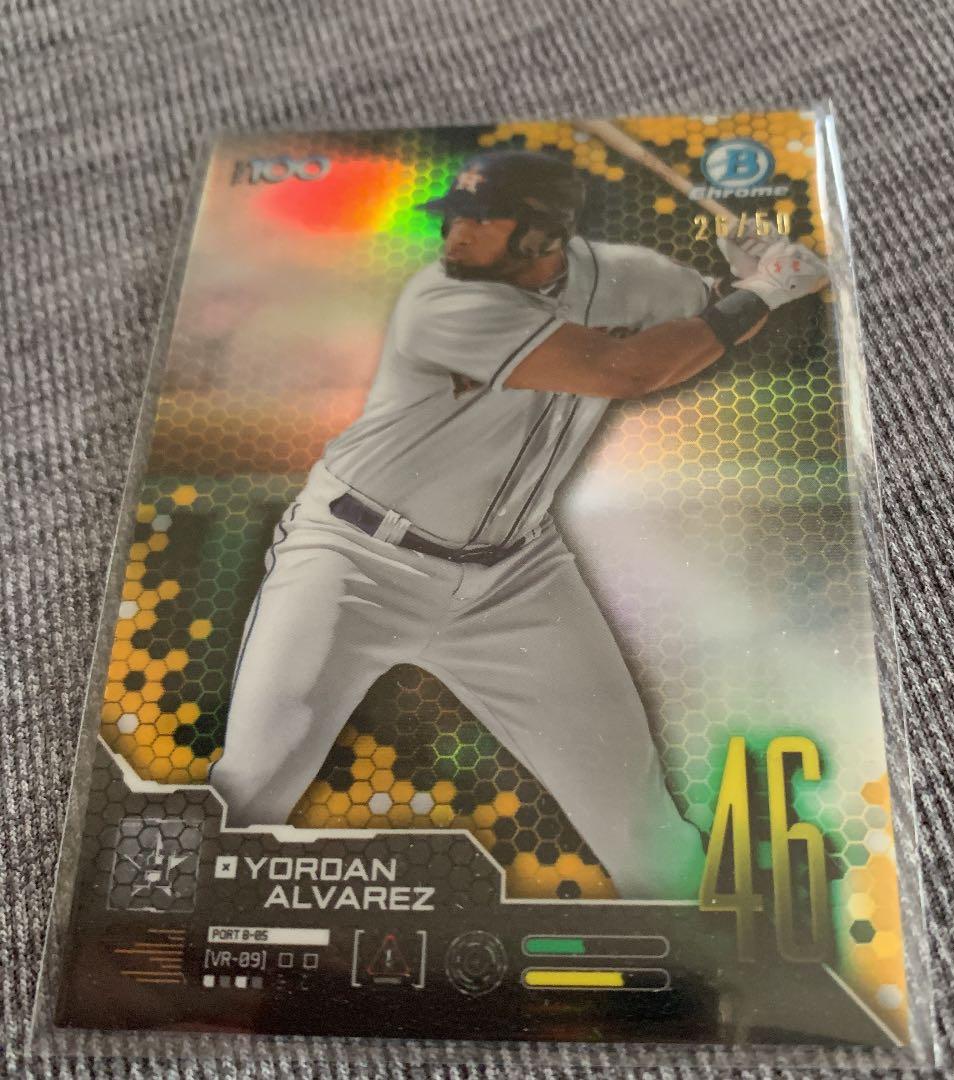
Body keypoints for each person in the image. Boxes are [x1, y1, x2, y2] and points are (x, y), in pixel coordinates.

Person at [209, 149, 826, 899]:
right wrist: (763, 292)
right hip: (354, 561)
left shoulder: (631, 277)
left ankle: (708, 957)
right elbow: (626, 370)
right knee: (248, 790)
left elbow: (710, 325)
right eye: (453, 217)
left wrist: (755, 279)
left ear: (541, 233)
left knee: (642, 826)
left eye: (480, 218)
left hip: (518, 576)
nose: (456, 234)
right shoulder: (443, 302)